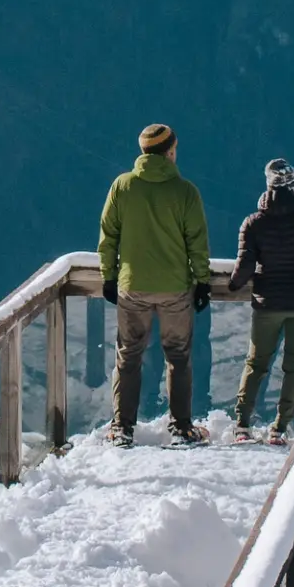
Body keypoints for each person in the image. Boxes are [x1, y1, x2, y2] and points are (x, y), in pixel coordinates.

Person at [97, 122, 211, 444]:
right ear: (170, 151)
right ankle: (181, 426)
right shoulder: (186, 191)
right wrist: (202, 280)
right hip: (175, 288)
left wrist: (109, 275)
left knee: (129, 356)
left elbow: (109, 237)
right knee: (177, 356)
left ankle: (122, 427)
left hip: (132, 287)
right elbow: (197, 243)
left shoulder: (122, 186)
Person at [227, 158, 294, 438]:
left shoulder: (253, 223)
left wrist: (233, 286)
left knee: (256, 362)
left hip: (267, 302)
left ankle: (242, 424)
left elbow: (245, 265)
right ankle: (280, 427)